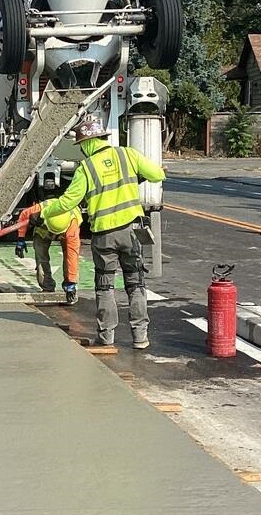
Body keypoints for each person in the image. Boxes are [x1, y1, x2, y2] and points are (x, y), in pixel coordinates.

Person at [22, 115, 165, 349]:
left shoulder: (86, 169)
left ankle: (106, 337)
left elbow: (67, 202)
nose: (81, 150)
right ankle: (140, 337)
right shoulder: (128, 155)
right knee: (136, 283)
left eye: (81, 145)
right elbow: (158, 174)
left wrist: (43, 214)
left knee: (105, 286)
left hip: (105, 236)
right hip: (131, 232)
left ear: (87, 143)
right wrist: (136, 177)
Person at [32, 205, 81, 304]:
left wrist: (71, 282)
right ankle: (47, 287)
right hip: (45, 226)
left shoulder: (72, 229)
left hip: (65, 227)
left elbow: (72, 256)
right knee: (40, 251)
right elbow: (24, 217)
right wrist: (20, 237)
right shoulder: (39, 210)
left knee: (69, 256)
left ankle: (70, 288)